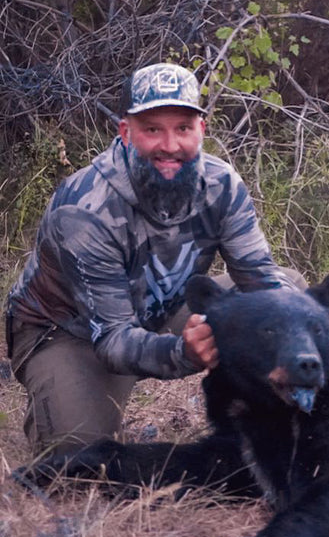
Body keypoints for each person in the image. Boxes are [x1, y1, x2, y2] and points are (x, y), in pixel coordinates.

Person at [5, 63, 306, 454]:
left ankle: (264, 414)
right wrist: (182, 353)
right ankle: (68, 389)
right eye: (152, 129)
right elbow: (111, 337)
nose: (170, 145)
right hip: (73, 331)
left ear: (202, 129)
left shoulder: (222, 185)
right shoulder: (84, 209)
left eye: (182, 127)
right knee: (77, 453)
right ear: (126, 133)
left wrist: (289, 334)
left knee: (293, 297)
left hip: (163, 306)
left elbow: (260, 279)